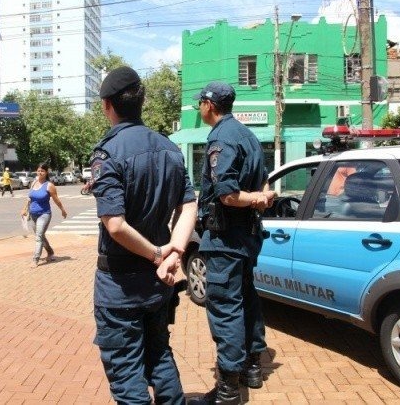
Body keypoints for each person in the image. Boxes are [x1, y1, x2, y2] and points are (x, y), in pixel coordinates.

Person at [90, 66, 198, 404]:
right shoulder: (170, 148)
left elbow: (116, 225)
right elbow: (189, 206)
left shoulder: (108, 151)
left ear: (108, 105)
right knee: (159, 356)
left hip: (121, 284)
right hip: (158, 283)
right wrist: (174, 254)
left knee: (126, 373)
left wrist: (156, 254)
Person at [192, 82, 276, 405]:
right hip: (246, 237)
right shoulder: (248, 135)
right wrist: (262, 197)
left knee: (226, 306)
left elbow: (226, 193)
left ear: (210, 105)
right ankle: (252, 367)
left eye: (201, 102)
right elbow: (265, 178)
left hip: (225, 238)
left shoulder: (221, 137)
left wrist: (255, 198)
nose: (199, 107)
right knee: (247, 298)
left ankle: (228, 389)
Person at [20, 163, 67, 265]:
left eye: (42, 171)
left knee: (38, 236)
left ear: (46, 173)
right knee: (40, 236)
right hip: (32, 215)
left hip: (44, 214)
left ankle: (35, 259)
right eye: (38, 170)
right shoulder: (33, 183)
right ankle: (50, 252)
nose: (40, 172)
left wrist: (62, 210)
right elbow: (29, 198)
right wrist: (24, 209)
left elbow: (56, 200)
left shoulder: (49, 186)